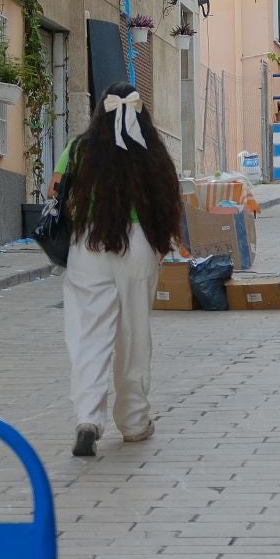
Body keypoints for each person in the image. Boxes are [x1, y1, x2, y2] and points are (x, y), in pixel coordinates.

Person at [56, 84, 185, 457]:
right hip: (138, 245)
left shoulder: (80, 148)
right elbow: (168, 198)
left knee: (88, 335)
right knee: (133, 336)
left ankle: (88, 419)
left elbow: (55, 191)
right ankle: (133, 421)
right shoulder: (153, 151)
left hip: (89, 244)